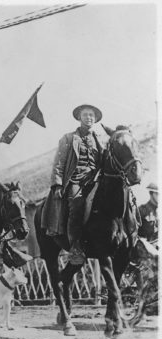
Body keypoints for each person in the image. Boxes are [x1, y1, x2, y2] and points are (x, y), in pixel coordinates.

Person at [46, 104, 108, 265]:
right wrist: (57, 185)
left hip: (95, 180)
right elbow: (59, 163)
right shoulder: (68, 138)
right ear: (79, 117)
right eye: (86, 115)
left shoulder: (100, 139)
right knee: (76, 204)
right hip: (75, 181)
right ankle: (74, 246)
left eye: (92, 115)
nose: (89, 118)